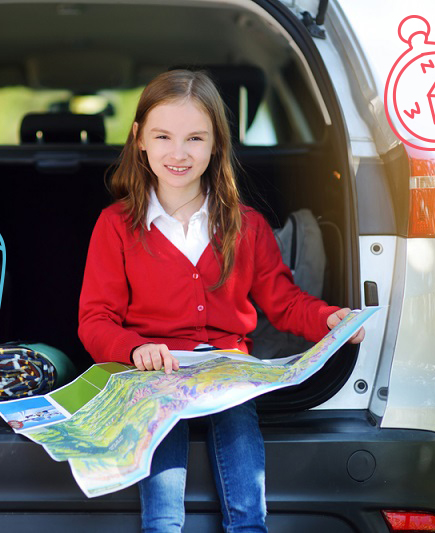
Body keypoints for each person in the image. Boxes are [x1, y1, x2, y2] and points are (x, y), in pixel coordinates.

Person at [77, 69, 364, 533]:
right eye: (163, 136)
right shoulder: (117, 225)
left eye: (195, 138)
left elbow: (284, 301)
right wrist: (134, 349)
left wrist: (330, 318)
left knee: (250, 512)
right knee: (164, 517)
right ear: (139, 140)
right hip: (153, 379)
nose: (178, 152)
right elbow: (95, 319)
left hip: (228, 375)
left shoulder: (245, 225)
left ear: (216, 145)